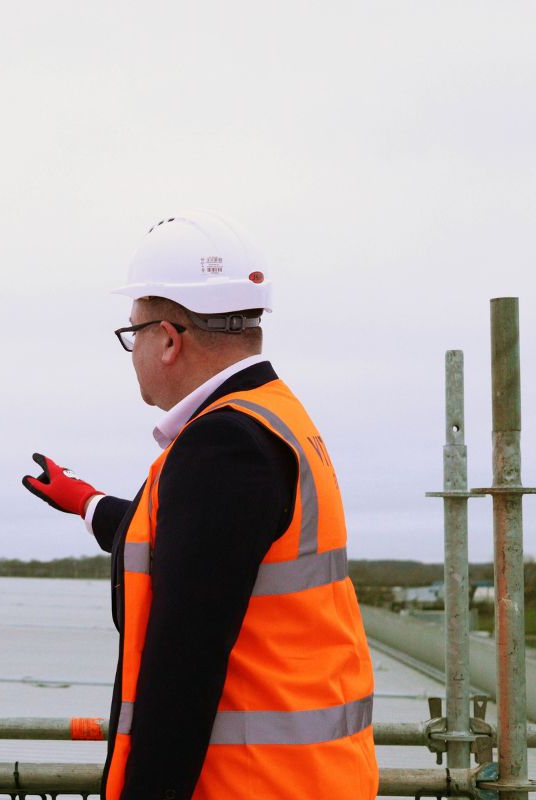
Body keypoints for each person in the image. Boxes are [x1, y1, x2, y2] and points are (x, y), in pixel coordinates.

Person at [22, 211, 378, 800]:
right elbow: (184, 545)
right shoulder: (273, 417)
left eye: (132, 332)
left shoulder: (222, 446)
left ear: (168, 338)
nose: (131, 348)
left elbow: (181, 677)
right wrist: (85, 503)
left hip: (253, 785)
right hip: (308, 779)